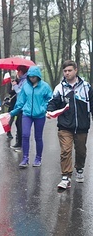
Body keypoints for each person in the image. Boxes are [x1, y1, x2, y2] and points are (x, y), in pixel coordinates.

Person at [46, 60, 93, 189]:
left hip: (82, 126)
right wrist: (49, 110)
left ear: (76, 70)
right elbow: (52, 102)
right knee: (65, 150)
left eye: (69, 70)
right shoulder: (59, 88)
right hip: (65, 126)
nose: (67, 73)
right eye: (65, 71)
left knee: (81, 151)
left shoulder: (86, 87)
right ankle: (65, 177)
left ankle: (79, 169)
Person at [4, 66, 52, 168]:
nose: (32, 78)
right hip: (26, 114)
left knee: (38, 137)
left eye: (34, 77)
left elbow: (50, 100)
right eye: (30, 76)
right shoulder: (26, 86)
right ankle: (25, 158)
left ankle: (38, 158)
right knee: (25, 135)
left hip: (39, 115)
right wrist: (11, 113)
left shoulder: (45, 86)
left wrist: (44, 108)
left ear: (38, 76)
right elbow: (20, 102)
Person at [10, 65, 29, 150]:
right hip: (19, 105)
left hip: (23, 106)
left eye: (18, 71)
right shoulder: (22, 80)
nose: (17, 73)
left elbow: (20, 92)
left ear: (21, 72)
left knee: (20, 124)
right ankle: (19, 142)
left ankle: (21, 143)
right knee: (18, 123)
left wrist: (15, 85)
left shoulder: (25, 81)